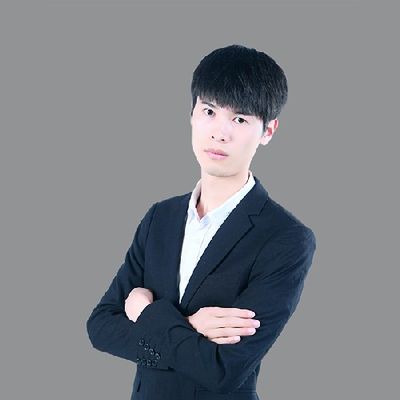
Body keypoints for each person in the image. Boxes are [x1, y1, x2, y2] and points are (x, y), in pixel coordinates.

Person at [86, 44, 317, 400]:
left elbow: (223, 370)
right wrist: (190, 326)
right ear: (192, 114)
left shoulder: (286, 238)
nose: (219, 133)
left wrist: (146, 313)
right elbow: (101, 326)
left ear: (268, 131)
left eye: (240, 119)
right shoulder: (160, 218)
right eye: (209, 111)